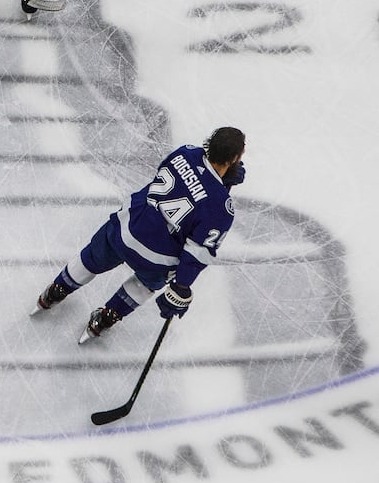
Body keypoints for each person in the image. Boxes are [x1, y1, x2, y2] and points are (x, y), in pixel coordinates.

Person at [33, 127, 247, 343]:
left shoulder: (184, 153)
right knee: (143, 285)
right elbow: (198, 252)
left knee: (92, 257)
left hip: (128, 228)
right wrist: (181, 286)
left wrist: (221, 182)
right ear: (234, 159)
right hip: (157, 258)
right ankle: (106, 319)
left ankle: (55, 291)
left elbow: (188, 185)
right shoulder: (222, 208)